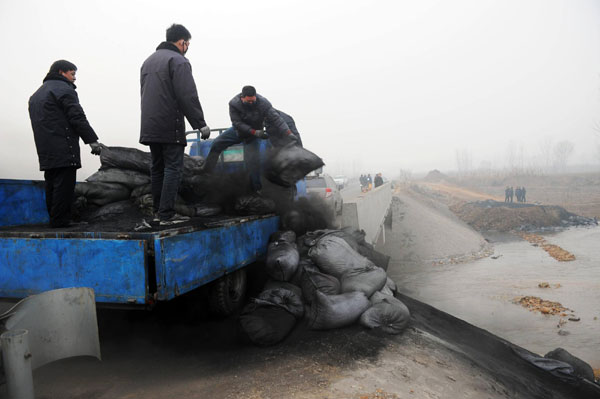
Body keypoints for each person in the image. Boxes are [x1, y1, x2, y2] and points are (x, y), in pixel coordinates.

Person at [140, 24, 211, 225]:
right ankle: (167, 215)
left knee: (157, 169)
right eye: (187, 44)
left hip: (150, 125)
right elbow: (186, 95)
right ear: (183, 42)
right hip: (169, 124)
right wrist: (200, 123)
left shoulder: (148, 62)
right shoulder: (178, 61)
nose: (187, 47)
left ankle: (158, 213)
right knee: (173, 168)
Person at [29, 60, 102, 228]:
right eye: (72, 74)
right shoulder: (64, 90)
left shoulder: (36, 95)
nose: (74, 78)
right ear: (62, 72)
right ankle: (61, 221)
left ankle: (55, 220)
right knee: (65, 185)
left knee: (51, 184)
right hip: (64, 144)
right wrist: (92, 141)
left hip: (45, 147)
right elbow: (77, 117)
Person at [201, 85, 298, 192]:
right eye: (248, 101)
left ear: (255, 97)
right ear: (242, 97)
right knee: (217, 143)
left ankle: (256, 190)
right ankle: (207, 170)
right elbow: (237, 123)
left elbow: (277, 120)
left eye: (253, 101)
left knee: (252, 163)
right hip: (238, 131)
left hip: (253, 136)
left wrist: (289, 133)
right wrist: (254, 132)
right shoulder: (234, 104)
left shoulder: (264, 104)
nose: (251, 103)